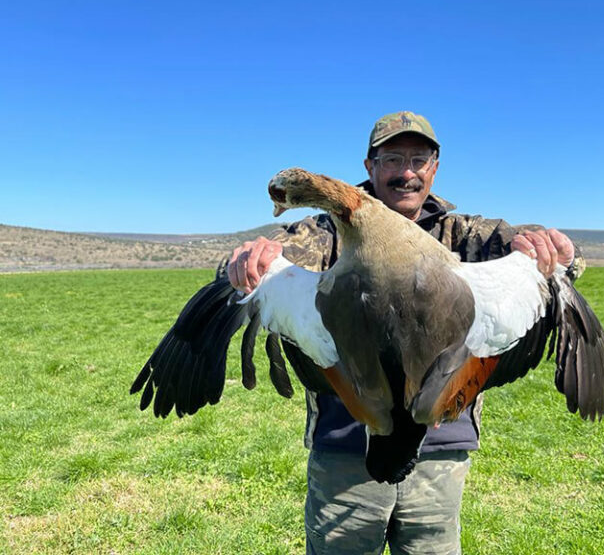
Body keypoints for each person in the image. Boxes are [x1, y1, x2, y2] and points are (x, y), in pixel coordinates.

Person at [228, 111, 581, 555]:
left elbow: (558, 271)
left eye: (418, 160)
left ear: (434, 167)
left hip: (441, 447)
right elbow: (257, 271)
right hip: (346, 450)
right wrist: (244, 261)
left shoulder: (468, 234)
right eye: (393, 159)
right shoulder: (323, 232)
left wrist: (561, 254)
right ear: (370, 166)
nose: (406, 172)